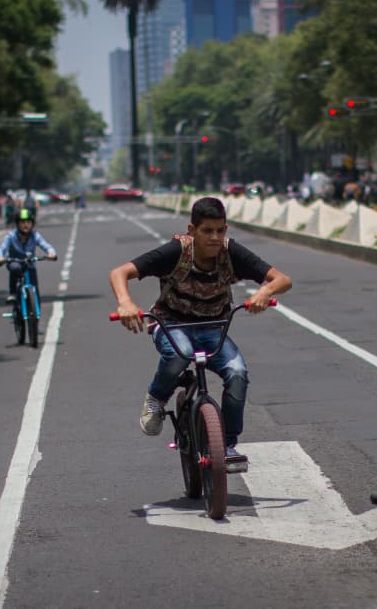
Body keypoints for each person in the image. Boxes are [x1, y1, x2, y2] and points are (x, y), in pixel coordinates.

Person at [108, 197, 293, 472]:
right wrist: (125, 303)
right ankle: (156, 398)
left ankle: (227, 445)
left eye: (220, 231)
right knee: (179, 353)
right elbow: (119, 272)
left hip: (213, 328)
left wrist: (264, 292)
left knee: (238, 373)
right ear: (192, 230)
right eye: (207, 231)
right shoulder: (176, 252)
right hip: (170, 324)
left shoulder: (231, 253)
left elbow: (282, 279)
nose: (215, 238)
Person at [0, 207, 56, 303]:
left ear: (32, 224)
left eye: (28, 222)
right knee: (15, 268)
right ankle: (13, 293)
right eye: (22, 222)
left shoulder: (35, 236)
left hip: (30, 265)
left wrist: (51, 253)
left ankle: (36, 312)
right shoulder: (11, 236)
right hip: (15, 262)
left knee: (35, 290)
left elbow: (46, 246)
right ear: (18, 224)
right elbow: (1, 249)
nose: (26, 225)